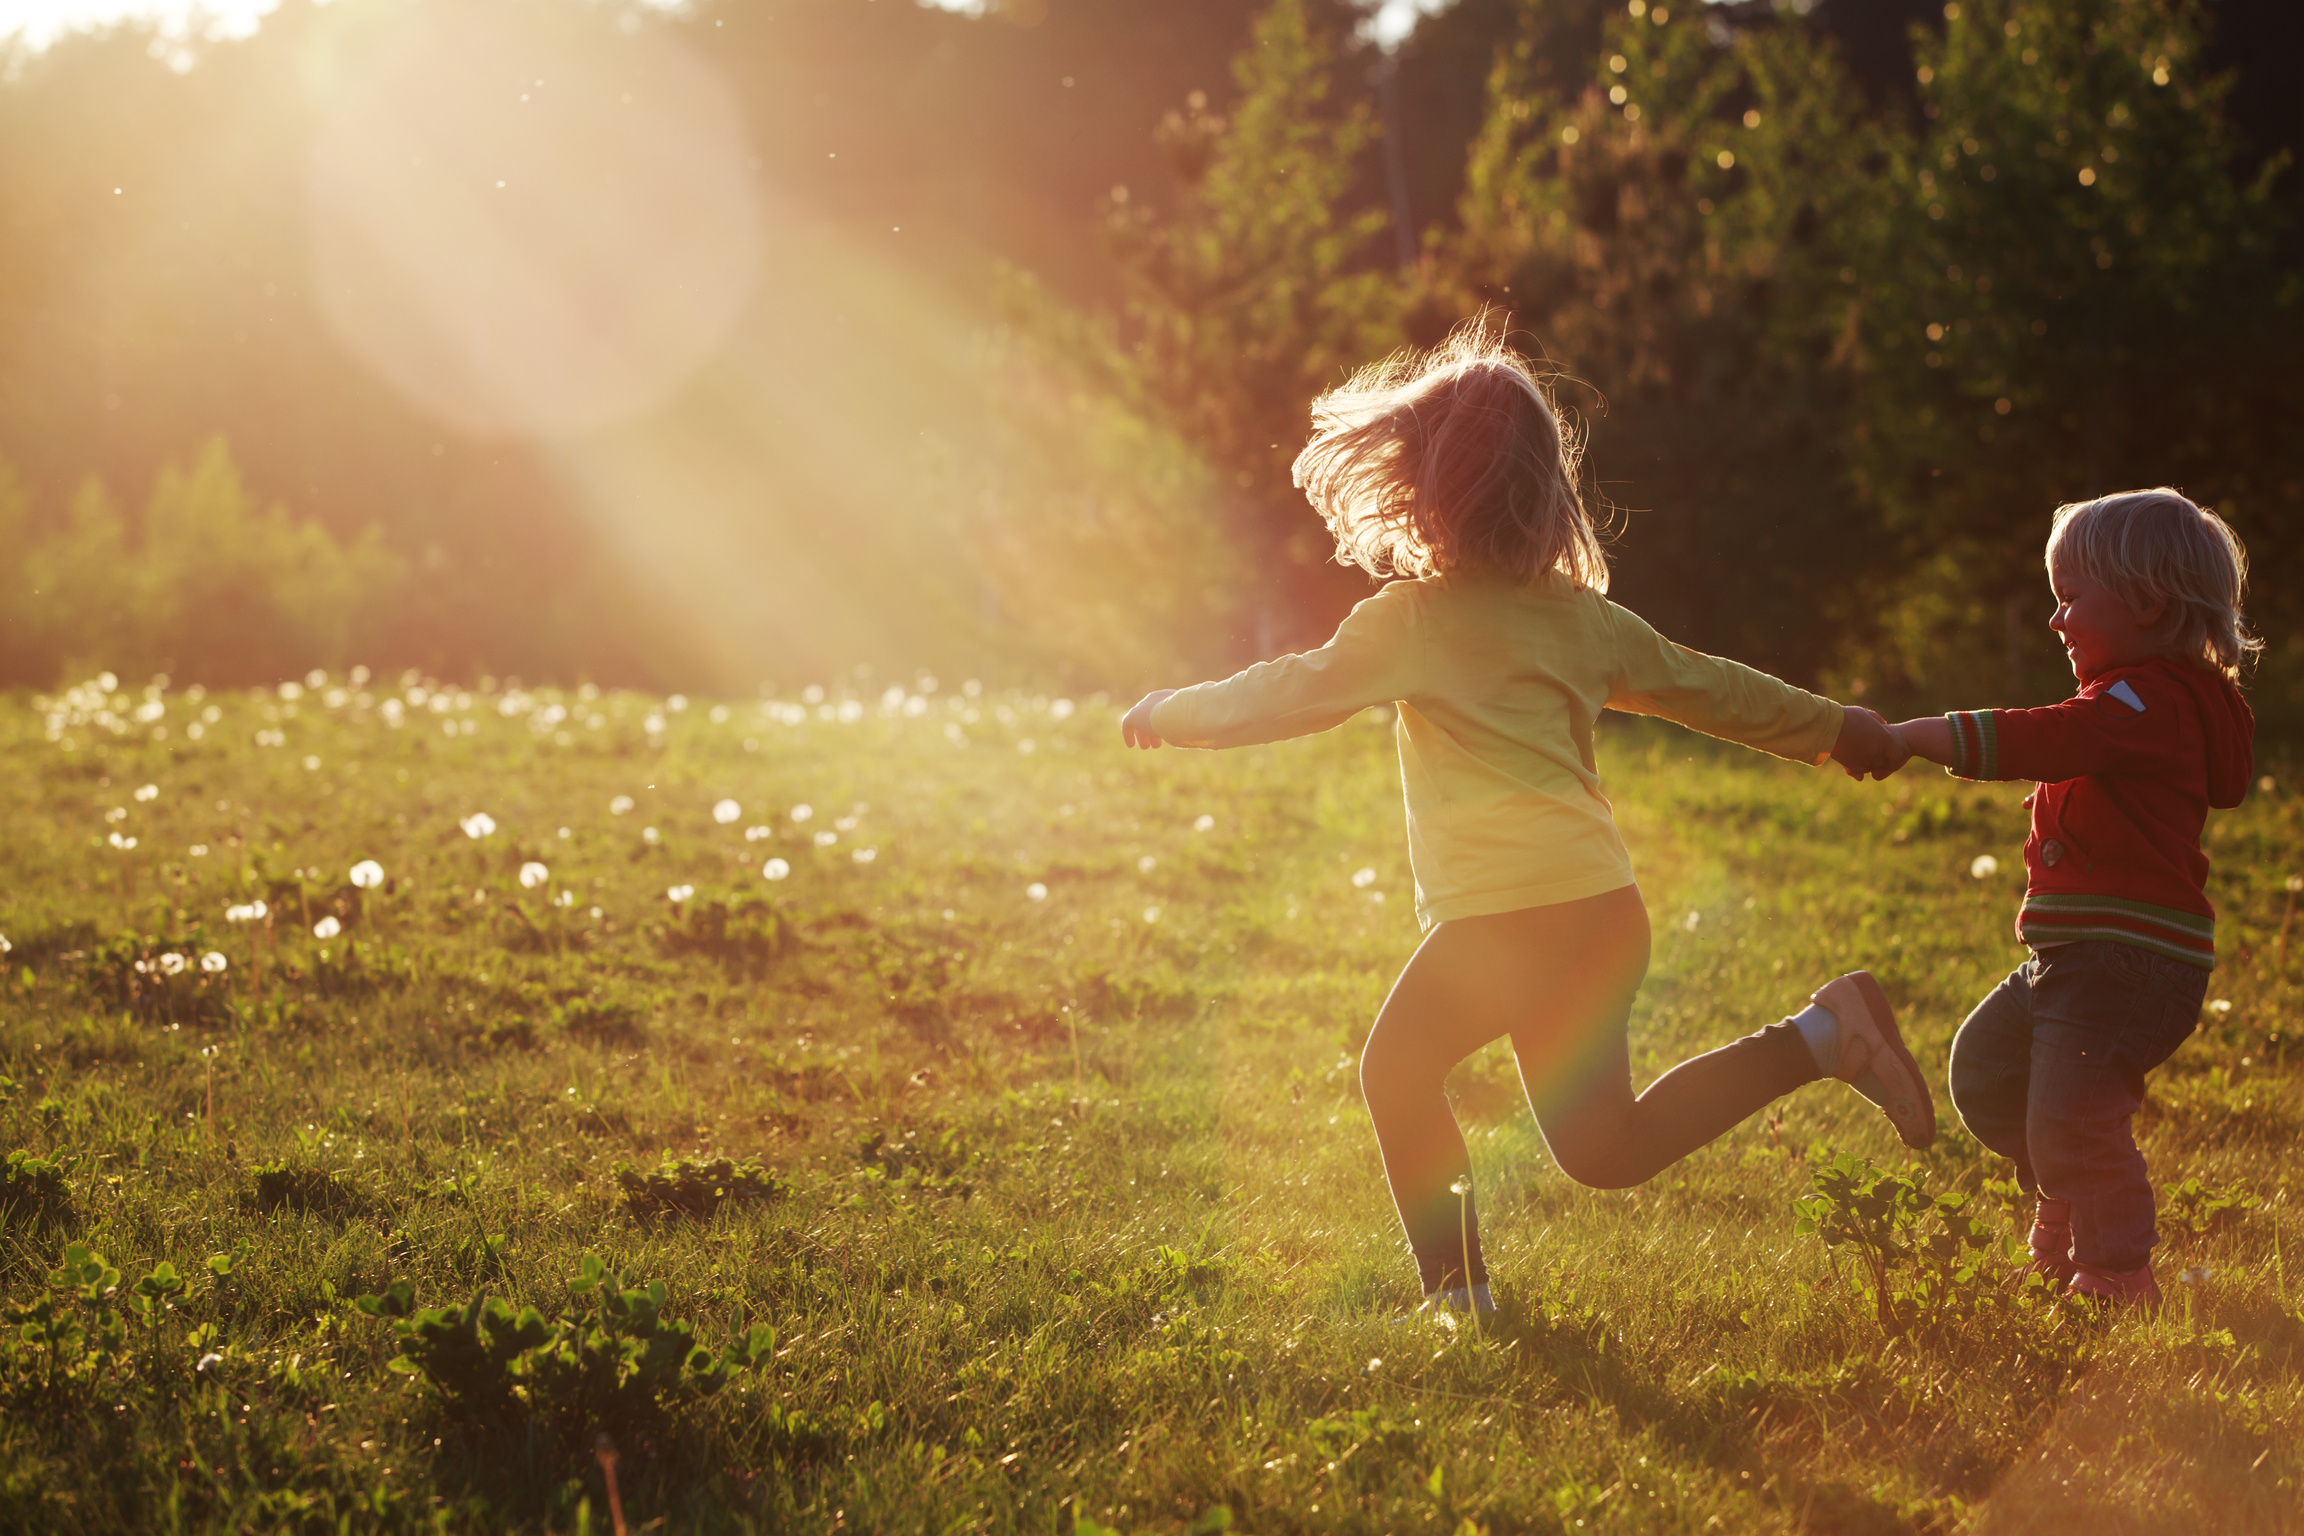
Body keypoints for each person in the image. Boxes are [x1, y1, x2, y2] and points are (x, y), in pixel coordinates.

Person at [1117, 322, 1932, 1316]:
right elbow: (1713, 690)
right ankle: (1820, 1036)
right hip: (1598, 914)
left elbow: (1288, 695)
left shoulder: (1412, 622)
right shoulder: (1581, 623)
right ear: (1547, 489)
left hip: (1511, 922)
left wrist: (1168, 712)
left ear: (1421, 489)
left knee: (1395, 1071)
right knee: (1608, 1150)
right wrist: (1841, 729)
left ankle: (1460, 1300)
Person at [1882, 489, 2255, 1308]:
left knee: (2072, 1117)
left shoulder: (2146, 701)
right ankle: (2067, 1192)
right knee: (1984, 1070)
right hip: (2082, 960)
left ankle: (2117, 1272)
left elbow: (2044, 735)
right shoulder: (2140, 704)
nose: (2056, 621)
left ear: (2148, 604)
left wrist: (1911, 737)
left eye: (2069, 598)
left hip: (2123, 965)